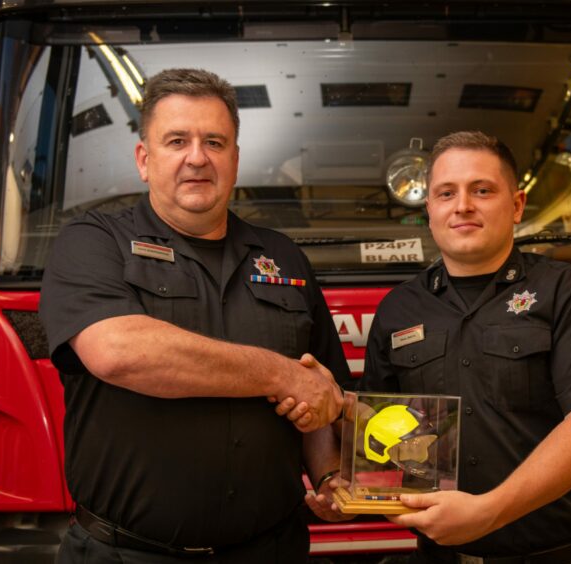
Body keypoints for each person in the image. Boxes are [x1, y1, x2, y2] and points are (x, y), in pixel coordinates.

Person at [39, 68, 347, 564]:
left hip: (271, 550)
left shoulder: (284, 257)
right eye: (177, 140)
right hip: (128, 555)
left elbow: (317, 391)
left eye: (215, 142)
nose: (197, 158)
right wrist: (279, 372)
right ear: (144, 159)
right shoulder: (94, 242)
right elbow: (119, 352)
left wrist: (331, 473)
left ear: (236, 159)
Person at [358, 131, 571, 563]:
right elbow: (379, 444)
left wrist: (488, 512)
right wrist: (344, 486)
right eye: (446, 193)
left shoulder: (568, 293)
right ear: (429, 209)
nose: (463, 205)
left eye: (482, 190)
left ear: (517, 204)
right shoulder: (397, 310)